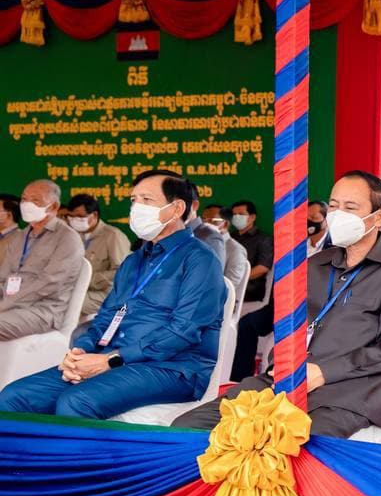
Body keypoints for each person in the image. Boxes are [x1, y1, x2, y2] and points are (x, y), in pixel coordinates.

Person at [174, 171, 381, 437]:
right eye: (334, 206)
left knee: (289, 447)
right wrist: (282, 362)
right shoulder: (315, 264)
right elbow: (288, 326)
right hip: (284, 380)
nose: (338, 214)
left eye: (350, 208)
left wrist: (324, 372)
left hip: (347, 395)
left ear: (379, 217)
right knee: (188, 428)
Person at [0, 171, 225, 419]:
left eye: (146, 200)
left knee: (76, 402)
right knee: (14, 396)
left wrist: (111, 360)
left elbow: (183, 331)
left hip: (173, 368)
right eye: (133, 200)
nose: (136, 207)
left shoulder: (200, 260)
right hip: (115, 358)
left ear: (176, 208)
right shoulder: (134, 261)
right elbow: (106, 316)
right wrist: (81, 353)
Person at [0, 180, 84, 340]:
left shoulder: (67, 238)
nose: (26, 204)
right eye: (24, 199)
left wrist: (5, 304)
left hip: (42, 311)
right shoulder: (19, 237)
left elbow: (48, 284)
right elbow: (3, 279)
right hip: (10, 306)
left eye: (35, 200)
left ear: (53, 206)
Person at [65, 193, 131, 323]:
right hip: (79, 290)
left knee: (70, 302)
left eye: (80, 217)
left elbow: (123, 272)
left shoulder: (113, 236)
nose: (74, 220)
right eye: (71, 217)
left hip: (107, 294)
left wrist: (89, 280)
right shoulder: (73, 235)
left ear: (94, 215)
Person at [229, 199, 272, 303]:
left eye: (241, 214)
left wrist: (237, 280)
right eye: (234, 214)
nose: (236, 217)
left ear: (252, 217)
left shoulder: (263, 239)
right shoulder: (229, 237)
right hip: (228, 289)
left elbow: (263, 267)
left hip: (249, 292)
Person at [187, 193, 227, 268]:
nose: (207, 222)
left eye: (212, 220)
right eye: (204, 219)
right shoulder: (178, 233)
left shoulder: (211, 238)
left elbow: (213, 273)